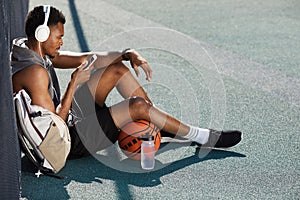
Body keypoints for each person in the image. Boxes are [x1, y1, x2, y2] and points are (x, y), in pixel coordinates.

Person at [11, 5, 242, 159]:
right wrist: (73, 84)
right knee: (136, 106)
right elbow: (54, 130)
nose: (62, 42)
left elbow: (87, 58)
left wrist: (126, 54)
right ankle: (201, 135)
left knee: (116, 70)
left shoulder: (28, 47)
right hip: (67, 140)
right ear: (42, 35)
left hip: (68, 117)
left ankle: (152, 127)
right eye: (59, 36)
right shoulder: (34, 73)